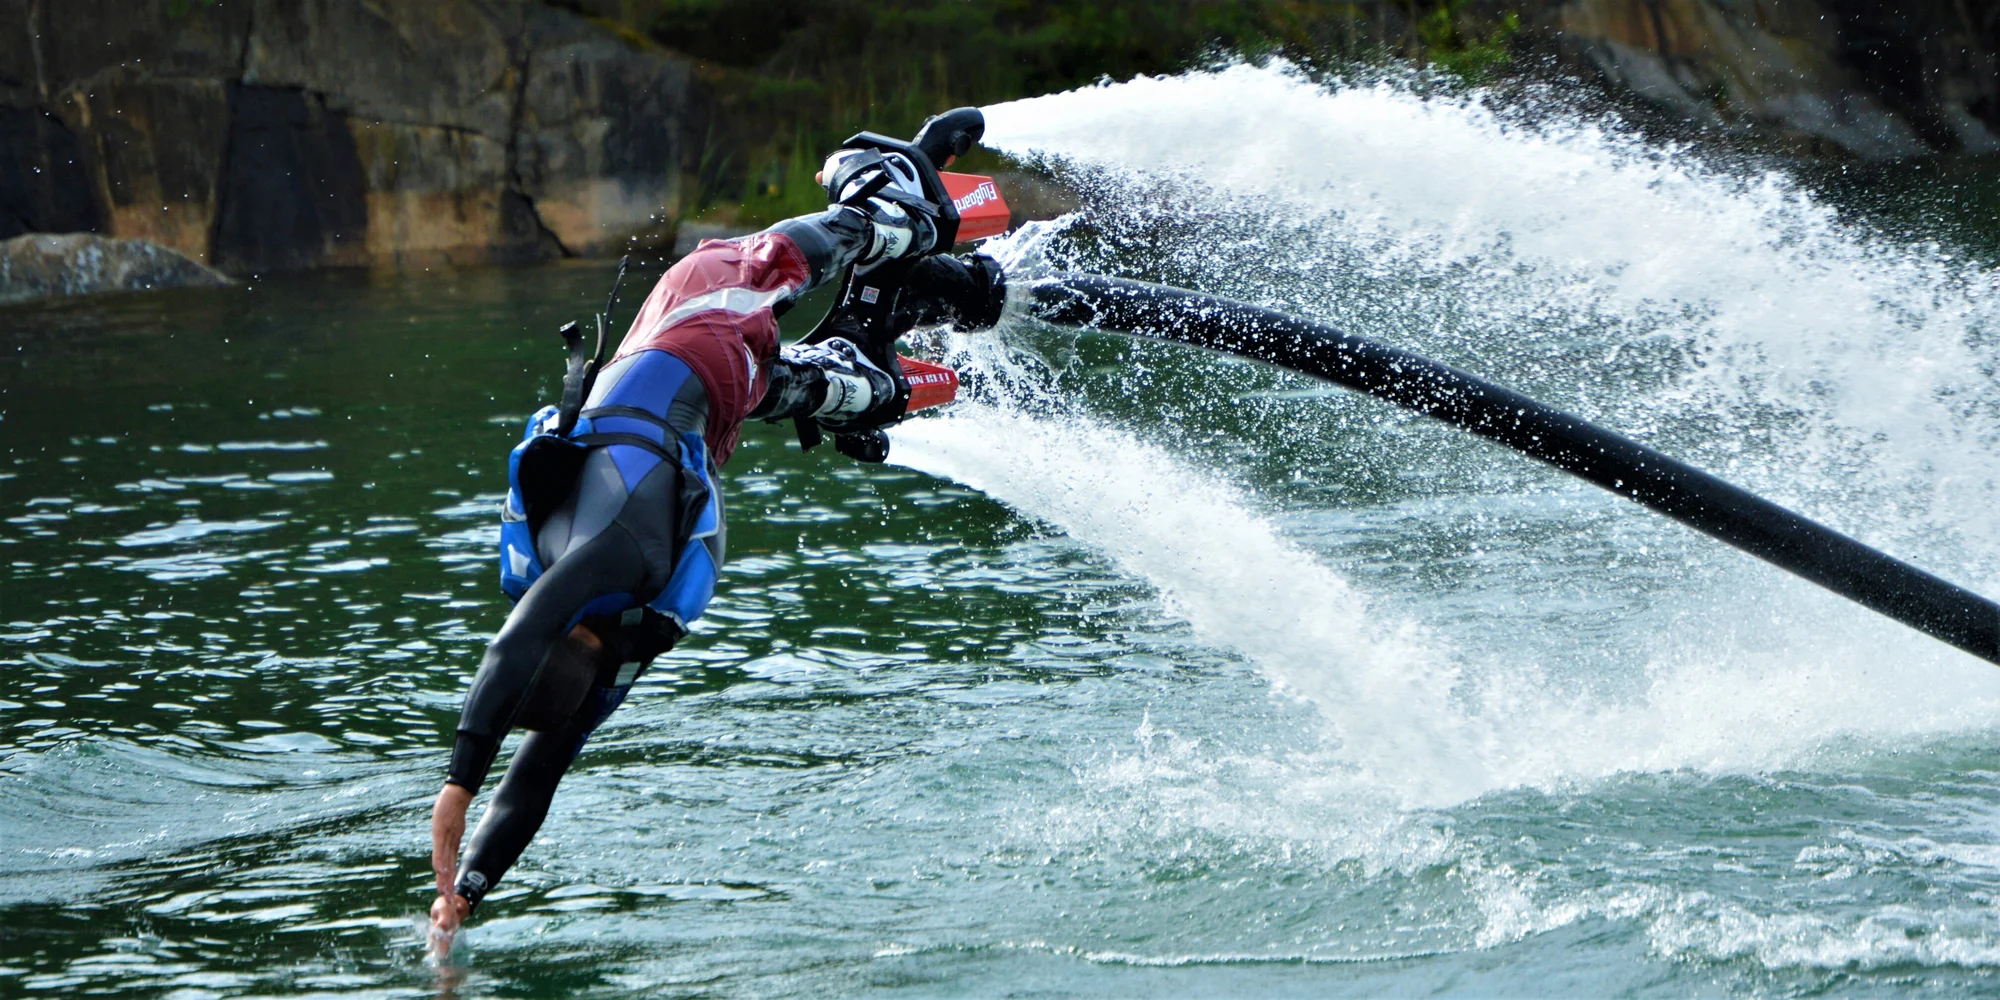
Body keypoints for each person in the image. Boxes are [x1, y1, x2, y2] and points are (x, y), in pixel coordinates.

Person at [426, 143, 1006, 950]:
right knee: (760, 264)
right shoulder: (600, 562)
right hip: (689, 350)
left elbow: (538, 771)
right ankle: (879, 224)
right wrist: (458, 783)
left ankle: (871, 340)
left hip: (726, 400)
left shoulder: (627, 639)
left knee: (777, 346)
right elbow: (516, 644)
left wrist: (469, 893)